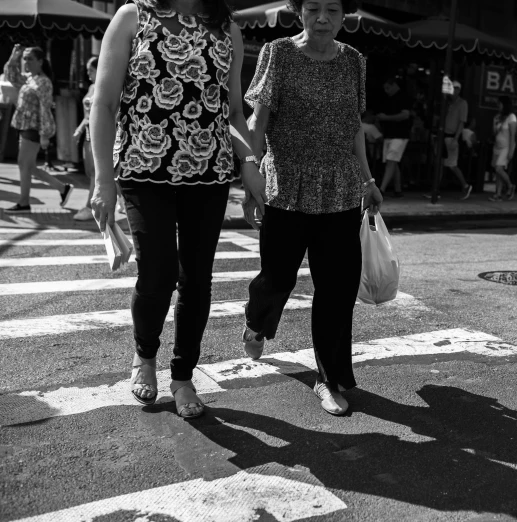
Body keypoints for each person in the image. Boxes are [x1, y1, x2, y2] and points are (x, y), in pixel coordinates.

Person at [89, 0, 263, 419]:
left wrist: (251, 167)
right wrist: (102, 180)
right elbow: (105, 103)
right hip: (143, 170)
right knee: (158, 272)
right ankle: (144, 356)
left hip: (211, 173)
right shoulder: (133, 16)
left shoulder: (228, 30)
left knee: (197, 279)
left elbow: (234, 110)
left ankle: (183, 374)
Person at [242, 0, 382, 416]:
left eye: (332, 10)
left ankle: (329, 378)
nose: (323, 19)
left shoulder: (353, 61)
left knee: (337, 289)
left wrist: (367, 180)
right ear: (299, 11)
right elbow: (257, 122)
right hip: (286, 186)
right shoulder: (278, 53)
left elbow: (353, 126)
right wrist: (251, 184)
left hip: (339, 190)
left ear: (345, 16)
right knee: (276, 279)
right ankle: (256, 322)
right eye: (314, 9)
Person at [3, 45, 73, 213]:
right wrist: (14, 57)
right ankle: (62, 189)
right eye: (25, 59)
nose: (26, 62)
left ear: (40, 62)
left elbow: (45, 108)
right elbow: (11, 76)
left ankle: (24, 202)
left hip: (33, 128)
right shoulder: (29, 78)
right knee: (29, 166)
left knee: (24, 164)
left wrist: (44, 135)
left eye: (30, 59)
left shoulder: (43, 82)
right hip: (25, 125)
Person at [72, 57, 98, 221]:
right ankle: (120, 199)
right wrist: (80, 129)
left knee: (96, 172)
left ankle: (90, 207)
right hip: (88, 134)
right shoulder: (92, 87)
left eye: (91, 70)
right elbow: (87, 115)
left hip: (99, 134)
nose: (88, 73)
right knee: (90, 172)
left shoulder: (106, 85)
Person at [377, 75, 411, 198]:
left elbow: (405, 115)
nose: (386, 90)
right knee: (393, 161)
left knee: (391, 160)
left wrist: (386, 118)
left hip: (400, 134)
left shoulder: (403, 97)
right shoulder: (389, 98)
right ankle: (397, 189)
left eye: (388, 88)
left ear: (394, 85)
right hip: (390, 133)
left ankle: (382, 189)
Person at [488, 95, 517, 202]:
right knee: (497, 171)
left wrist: (511, 150)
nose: (498, 106)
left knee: (498, 168)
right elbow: (494, 133)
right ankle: (498, 194)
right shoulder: (497, 117)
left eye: (499, 104)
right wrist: (495, 125)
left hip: (506, 147)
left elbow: (513, 135)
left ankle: (510, 186)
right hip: (497, 146)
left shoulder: (511, 117)